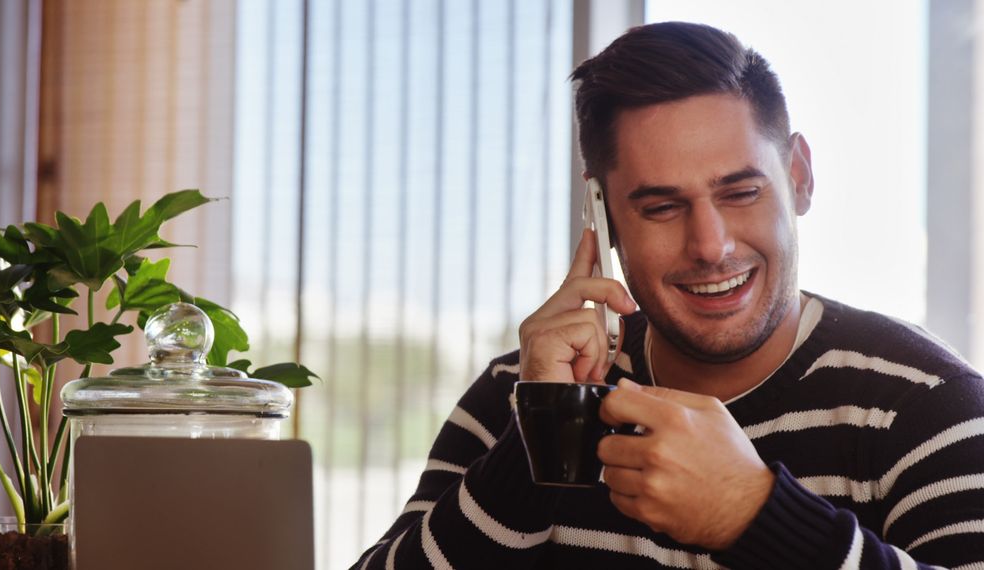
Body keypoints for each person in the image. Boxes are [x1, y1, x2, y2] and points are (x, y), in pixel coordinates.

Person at [353, 21, 984, 569]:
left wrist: (755, 516)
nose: (710, 245)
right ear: (601, 214)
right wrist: (543, 439)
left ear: (798, 176)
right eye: (660, 207)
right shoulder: (521, 394)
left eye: (741, 193)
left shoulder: (927, 405)